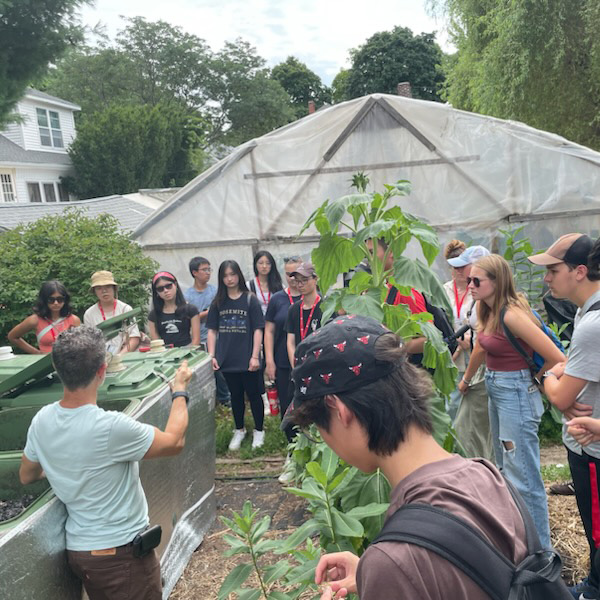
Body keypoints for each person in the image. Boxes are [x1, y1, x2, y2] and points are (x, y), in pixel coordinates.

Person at [282, 315, 530, 600]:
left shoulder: (395, 561)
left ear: (339, 411)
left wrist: (388, 574)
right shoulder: (489, 477)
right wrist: (378, 576)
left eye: (317, 426)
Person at [19, 325, 193, 600]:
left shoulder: (42, 420)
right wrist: (180, 390)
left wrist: (64, 464)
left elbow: (27, 474)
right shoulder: (110, 427)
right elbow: (174, 442)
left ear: (57, 367)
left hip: (82, 552)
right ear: (102, 370)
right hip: (120, 556)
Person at [458, 254, 564, 549]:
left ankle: (542, 555)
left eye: (477, 281)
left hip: (516, 393)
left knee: (525, 479)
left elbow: (558, 358)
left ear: (497, 281)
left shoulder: (511, 315)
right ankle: (522, 542)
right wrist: (467, 379)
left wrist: (538, 381)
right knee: (507, 468)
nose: (471, 285)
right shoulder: (488, 310)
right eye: (469, 280)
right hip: (497, 388)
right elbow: (481, 347)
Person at [528, 233, 600, 599]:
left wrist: (548, 376)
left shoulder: (591, 326)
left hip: (593, 449)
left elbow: (561, 394)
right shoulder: (585, 312)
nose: (546, 278)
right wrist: (558, 376)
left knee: (598, 528)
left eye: (552, 270)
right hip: (589, 441)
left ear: (580, 271)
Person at [207, 260, 266, 450]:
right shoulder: (218, 303)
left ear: (239, 275)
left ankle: (259, 430)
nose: (229, 279)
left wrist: (255, 356)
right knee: (235, 396)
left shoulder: (250, 300)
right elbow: (212, 331)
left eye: (232, 274)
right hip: (227, 359)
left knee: (255, 395)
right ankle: (239, 430)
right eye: (225, 275)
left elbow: (258, 329)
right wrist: (212, 355)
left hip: (248, 358)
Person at [447, 245, 495, 463]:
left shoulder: (487, 304)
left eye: (465, 268)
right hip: (482, 370)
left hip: (482, 371)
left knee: (467, 430)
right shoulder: (483, 302)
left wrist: (467, 378)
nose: (469, 281)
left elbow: (482, 346)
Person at [264, 256, 303, 482]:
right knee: (289, 407)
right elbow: (269, 331)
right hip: (282, 363)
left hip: (309, 362)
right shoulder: (278, 299)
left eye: (298, 273)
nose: (294, 279)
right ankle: (292, 451)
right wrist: (268, 359)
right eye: (289, 274)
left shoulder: (315, 298)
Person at [184, 257, 231, 406]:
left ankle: (225, 399)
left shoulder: (215, 291)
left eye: (209, 269)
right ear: (194, 272)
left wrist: (199, 315)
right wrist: (207, 313)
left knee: (220, 370)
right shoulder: (187, 295)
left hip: (218, 336)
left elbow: (221, 312)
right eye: (204, 270)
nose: (208, 273)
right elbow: (188, 318)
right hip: (199, 338)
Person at [8, 280, 81, 354]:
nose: (56, 303)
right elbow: (12, 336)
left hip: (69, 362)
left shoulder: (74, 320)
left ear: (65, 300)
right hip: (46, 363)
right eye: (51, 300)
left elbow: (82, 345)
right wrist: (37, 353)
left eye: (60, 299)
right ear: (44, 300)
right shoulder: (35, 320)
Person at [83, 271, 140, 355]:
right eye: (99, 288)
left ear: (114, 288)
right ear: (94, 291)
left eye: (108, 287)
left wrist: (120, 356)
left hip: (125, 357)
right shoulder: (89, 314)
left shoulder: (125, 309)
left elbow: (134, 338)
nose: (104, 291)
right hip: (101, 359)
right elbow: (90, 343)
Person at [285, 262, 323, 367]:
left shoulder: (325, 306)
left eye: (304, 280)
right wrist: (295, 366)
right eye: (297, 281)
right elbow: (290, 342)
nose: (300, 285)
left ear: (315, 279)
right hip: (299, 364)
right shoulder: (294, 309)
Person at [148, 271, 200, 348]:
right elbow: (156, 343)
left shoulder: (191, 310)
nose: (165, 291)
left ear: (175, 285)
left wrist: (189, 355)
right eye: (160, 289)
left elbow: (196, 339)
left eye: (168, 286)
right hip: (165, 354)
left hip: (188, 351)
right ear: (156, 292)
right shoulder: (153, 315)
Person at [247, 250, 284, 315]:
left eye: (268, 263)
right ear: (255, 265)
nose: (264, 266)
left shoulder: (280, 286)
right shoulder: (249, 286)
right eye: (261, 263)